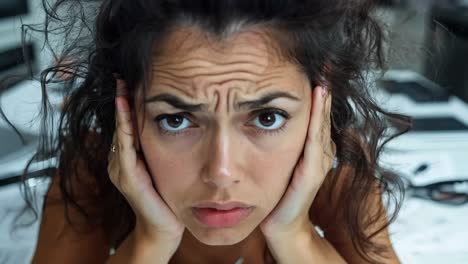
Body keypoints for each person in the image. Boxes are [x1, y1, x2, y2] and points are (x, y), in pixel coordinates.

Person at [17, 0, 411, 263]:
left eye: (267, 117)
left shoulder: (338, 169)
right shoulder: (93, 167)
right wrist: (152, 240)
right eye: (176, 120)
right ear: (128, 110)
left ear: (319, 104)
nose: (221, 171)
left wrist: (296, 236)